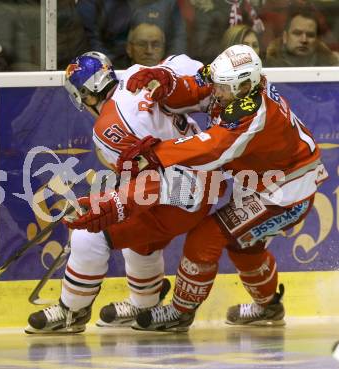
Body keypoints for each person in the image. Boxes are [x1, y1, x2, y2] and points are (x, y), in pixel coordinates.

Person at [67, 44, 328, 331]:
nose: (215, 91)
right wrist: (168, 83)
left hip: (286, 191)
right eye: (216, 83)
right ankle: (269, 308)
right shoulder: (230, 81)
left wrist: (156, 154)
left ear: (244, 88)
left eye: (222, 88)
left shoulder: (252, 116)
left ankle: (180, 313)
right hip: (266, 182)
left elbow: (212, 150)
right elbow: (196, 86)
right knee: (245, 245)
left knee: (206, 237)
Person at [25, 51, 218, 334]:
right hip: (205, 182)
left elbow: (144, 181)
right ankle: (144, 304)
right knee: (140, 239)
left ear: (85, 97)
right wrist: (168, 76)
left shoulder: (106, 129)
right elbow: (188, 65)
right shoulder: (138, 75)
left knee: (89, 235)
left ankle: (72, 312)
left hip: (178, 195)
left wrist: (110, 201)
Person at [76, 0, 187, 69]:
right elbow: (91, 39)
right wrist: (116, 69)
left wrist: (168, 70)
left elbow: (177, 40)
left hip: (161, 70)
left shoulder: (168, 4)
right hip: (116, 70)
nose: (149, 50)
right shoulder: (95, 4)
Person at [265, 7, 339, 67]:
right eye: (297, 33)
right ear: (285, 37)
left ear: (317, 40)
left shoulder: (329, 67)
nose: (304, 40)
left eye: (310, 35)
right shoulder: (267, 68)